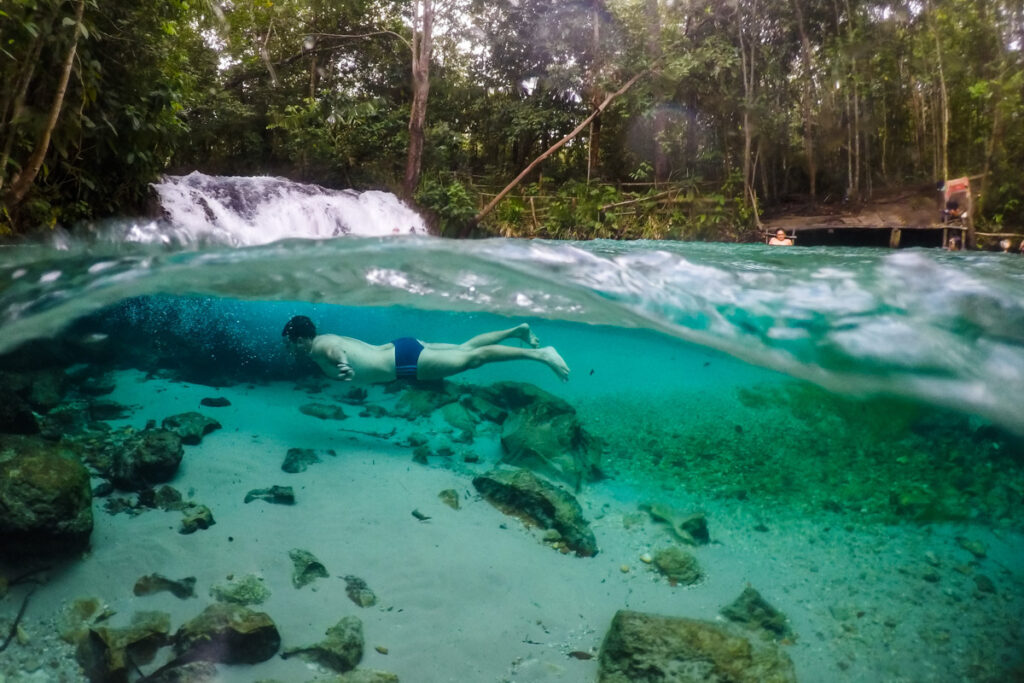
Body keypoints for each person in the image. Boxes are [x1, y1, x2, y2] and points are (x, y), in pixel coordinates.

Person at [282, 315, 569, 384]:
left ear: (300, 340)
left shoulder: (319, 347)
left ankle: (542, 355)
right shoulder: (324, 337)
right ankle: (517, 330)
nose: (289, 350)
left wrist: (343, 363)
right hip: (403, 348)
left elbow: (335, 351)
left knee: (473, 358)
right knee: (465, 347)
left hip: (405, 363)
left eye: (289, 344)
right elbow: (336, 344)